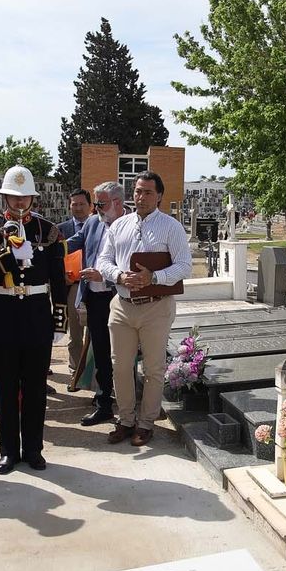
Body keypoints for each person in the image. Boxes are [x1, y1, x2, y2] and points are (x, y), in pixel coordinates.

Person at [0, 164, 65, 474]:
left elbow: (60, 279)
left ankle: (33, 449)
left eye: (25, 198)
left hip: (36, 313)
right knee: (6, 388)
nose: (20, 203)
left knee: (35, 389)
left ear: (34, 199)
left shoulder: (47, 230)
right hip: (5, 313)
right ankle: (8, 450)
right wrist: (8, 258)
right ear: (4, 197)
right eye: (13, 197)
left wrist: (59, 318)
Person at [92, 170, 191, 448]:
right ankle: (125, 419)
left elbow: (184, 265)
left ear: (159, 195)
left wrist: (154, 277)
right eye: (137, 191)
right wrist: (121, 277)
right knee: (120, 367)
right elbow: (104, 261)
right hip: (122, 305)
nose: (141, 196)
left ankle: (146, 423)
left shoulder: (171, 227)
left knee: (154, 368)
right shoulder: (119, 225)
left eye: (148, 192)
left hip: (155, 307)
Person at [70, 181, 124, 427]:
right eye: (97, 203)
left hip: (120, 298)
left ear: (118, 203)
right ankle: (103, 404)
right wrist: (45, 243)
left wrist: (105, 275)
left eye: (101, 203)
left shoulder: (131, 226)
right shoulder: (92, 222)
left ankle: (128, 407)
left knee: (124, 354)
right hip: (95, 300)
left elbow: (135, 264)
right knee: (100, 352)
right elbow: (74, 242)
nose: (97, 209)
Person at [55, 188, 94, 380]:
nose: (78, 208)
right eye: (74, 204)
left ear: (90, 206)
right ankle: (75, 370)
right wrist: (62, 275)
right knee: (75, 332)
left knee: (95, 330)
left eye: (82, 204)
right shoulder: (60, 229)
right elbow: (54, 256)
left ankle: (93, 371)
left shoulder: (99, 226)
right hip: (72, 286)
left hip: (94, 285)